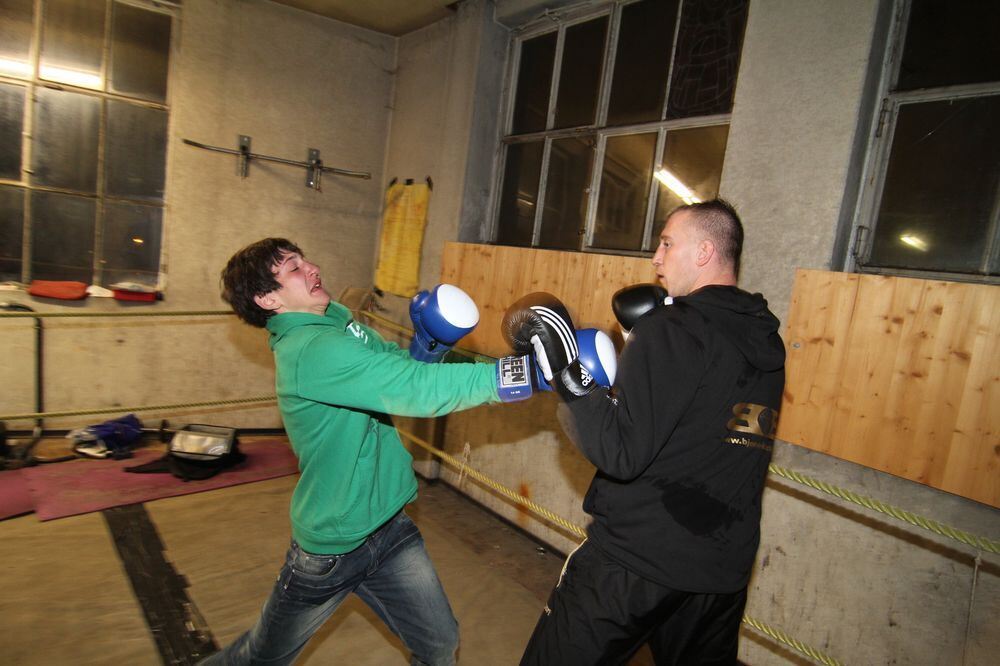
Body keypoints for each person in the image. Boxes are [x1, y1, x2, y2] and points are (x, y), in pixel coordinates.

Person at [205, 238, 532, 666]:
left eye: (305, 258)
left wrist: (428, 348)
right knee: (259, 658)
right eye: (292, 268)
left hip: (388, 526)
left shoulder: (337, 321)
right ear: (267, 298)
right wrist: (523, 374)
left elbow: (395, 370)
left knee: (438, 644)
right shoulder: (311, 351)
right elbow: (416, 391)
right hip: (332, 547)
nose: (312, 267)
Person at [506, 199, 786, 665]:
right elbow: (706, 430)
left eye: (667, 243)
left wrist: (568, 378)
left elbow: (620, 453)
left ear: (703, 252)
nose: (656, 258)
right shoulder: (767, 346)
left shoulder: (672, 329)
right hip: (720, 573)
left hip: (635, 561)